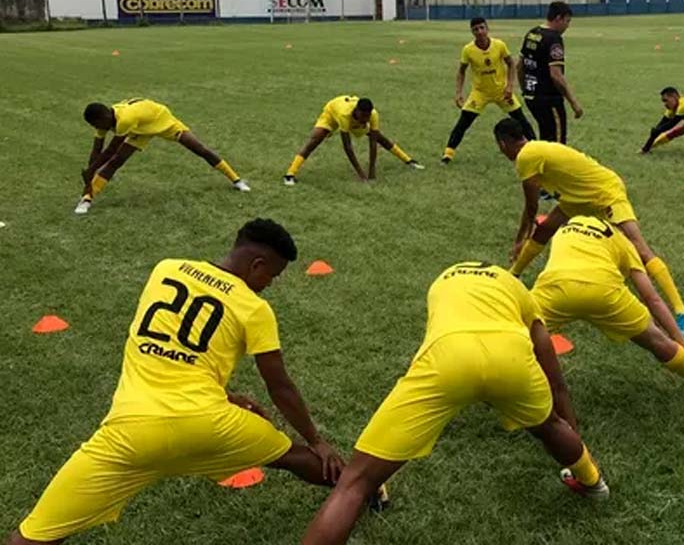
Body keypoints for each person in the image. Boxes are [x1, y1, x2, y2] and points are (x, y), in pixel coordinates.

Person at [9, 219, 348, 544]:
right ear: (257, 265)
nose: (270, 284)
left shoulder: (165, 269)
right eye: (272, 276)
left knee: (39, 532)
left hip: (130, 431)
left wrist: (226, 395)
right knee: (290, 456)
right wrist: (316, 439)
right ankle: (362, 488)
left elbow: (170, 353)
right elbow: (280, 386)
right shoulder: (254, 308)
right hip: (211, 425)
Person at [300, 261, 609, 545]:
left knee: (355, 481)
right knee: (549, 426)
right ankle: (592, 481)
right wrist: (567, 423)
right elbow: (553, 375)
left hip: (449, 358)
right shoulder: (518, 289)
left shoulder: (441, 282)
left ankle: (369, 485)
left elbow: (437, 336)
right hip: (512, 359)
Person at [494, 117, 684, 336]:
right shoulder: (534, 149)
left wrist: (519, 241)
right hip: (576, 197)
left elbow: (531, 206)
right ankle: (513, 275)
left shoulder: (526, 156)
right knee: (544, 230)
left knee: (640, 250)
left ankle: (681, 312)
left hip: (604, 193)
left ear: (503, 143)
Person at [531, 215, 684, 396]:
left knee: (520, 334)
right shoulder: (625, 243)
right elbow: (651, 298)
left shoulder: (568, 226)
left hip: (555, 288)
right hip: (604, 292)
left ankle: (517, 387)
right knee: (655, 339)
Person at [76, 99, 250, 215]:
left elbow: (111, 149)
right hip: (141, 128)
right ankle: (87, 199)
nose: (96, 128)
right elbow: (97, 150)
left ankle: (236, 180)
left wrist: (90, 171)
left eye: (96, 124)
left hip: (161, 120)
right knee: (117, 162)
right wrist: (88, 179)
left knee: (199, 148)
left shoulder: (125, 120)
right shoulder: (102, 121)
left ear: (105, 116)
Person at [442, 17, 535, 163]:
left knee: (521, 119)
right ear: (472, 32)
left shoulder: (499, 45)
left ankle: (534, 148)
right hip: (480, 93)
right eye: (476, 29)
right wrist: (459, 93)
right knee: (464, 121)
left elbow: (511, 64)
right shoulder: (468, 50)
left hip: (501, 91)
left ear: (487, 29)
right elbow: (461, 71)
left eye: (481, 28)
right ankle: (448, 154)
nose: (479, 32)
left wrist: (510, 86)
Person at [283, 96, 424, 185]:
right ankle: (290, 174)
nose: (366, 120)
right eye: (363, 117)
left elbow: (373, 143)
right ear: (357, 111)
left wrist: (372, 172)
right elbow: (348, 147)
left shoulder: (373, 115)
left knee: (381, 138)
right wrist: (361, 174)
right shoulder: (345, 115)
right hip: (332, 113)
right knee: (316, 139)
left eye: (368, 117)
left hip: (351, 119)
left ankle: (409, 161)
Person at [518, 1, 583, 143]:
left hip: (531, 97)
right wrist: (573, 103)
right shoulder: (553, 39)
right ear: (558, 18)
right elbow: (556, 75)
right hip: (548, 99)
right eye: (567, 21)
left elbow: (520, 65)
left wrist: (525, 89)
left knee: (545, 139)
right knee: (557, 144)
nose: (567, 26)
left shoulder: (532, 33)